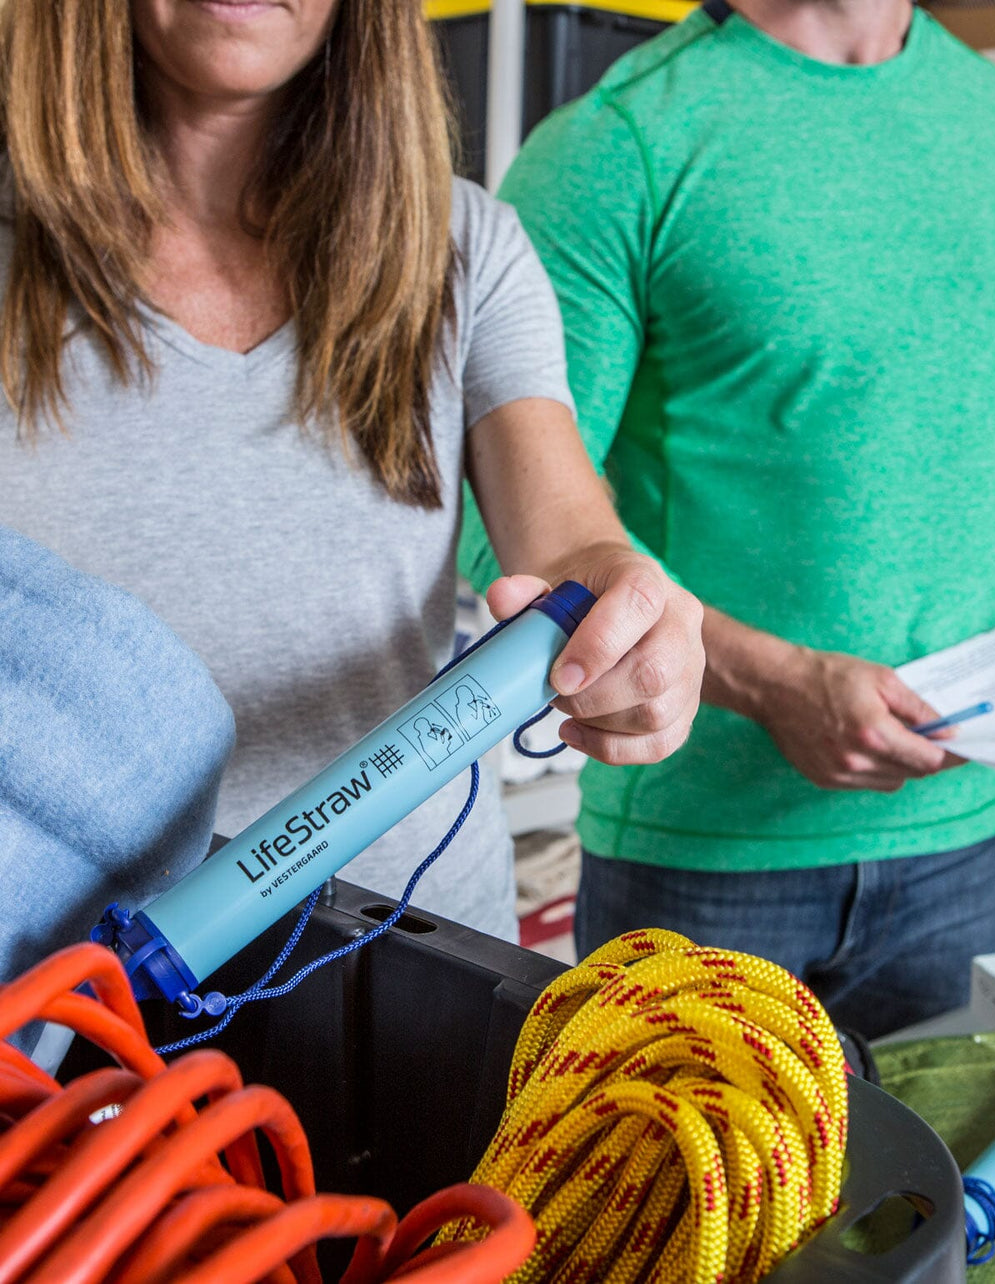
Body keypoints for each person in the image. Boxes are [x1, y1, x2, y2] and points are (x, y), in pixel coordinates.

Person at [0, 0, 703, 950]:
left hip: (413, 952)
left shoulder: (467, 247)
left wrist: (632, 614)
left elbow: (573, 544)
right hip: (62, 980)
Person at [460, 0, 995, 1035]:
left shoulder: (982, 108)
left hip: (966, 840)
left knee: (943, 1201)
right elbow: (507, 531)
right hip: (704, 871)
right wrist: (774, 683)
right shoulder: (614, 147)